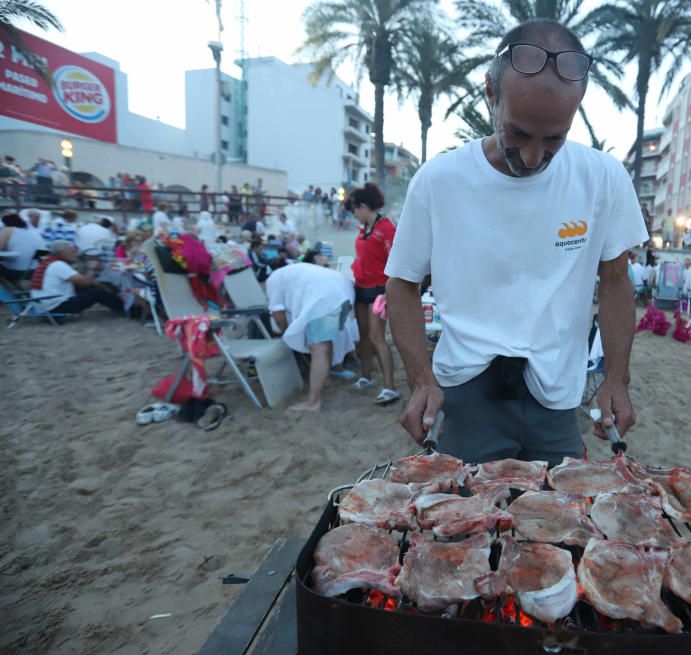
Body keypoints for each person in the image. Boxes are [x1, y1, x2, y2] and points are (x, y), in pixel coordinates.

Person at [384, 19, 647, 463]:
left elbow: (617, 281)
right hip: (467, 396)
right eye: (518, 133)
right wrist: (421, 380)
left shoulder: (603, 178)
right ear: (491, 93)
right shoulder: (439, 181)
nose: (532, 157)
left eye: (554, 139)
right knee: (465, 523)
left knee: (563, 523)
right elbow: (401, 284)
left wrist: (616, 378)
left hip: (559, 397)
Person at [266, 262, 355, 411]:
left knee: (318, 347)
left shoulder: (272, 280)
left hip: (323, 295)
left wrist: (285, 333)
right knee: (325, 342)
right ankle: (325, 380)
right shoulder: (293, 271)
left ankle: (313, 401)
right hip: (342, 289)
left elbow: (278, 315)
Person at [347, 182, 400, 405]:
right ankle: (366, 376)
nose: (354, 215)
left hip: (379, 289)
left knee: (378, 337)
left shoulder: (386, 228)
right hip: (361, 287)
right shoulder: (364, 230)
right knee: (364, 337)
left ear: (363, 206)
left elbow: (396, 261)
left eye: (354, 210)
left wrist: (390, 292)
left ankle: (390, 387)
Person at [29, 241, 124, 315]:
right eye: (72, 251)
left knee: (96, 288)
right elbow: (84, 282)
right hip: (54, 307)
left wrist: (99, 283)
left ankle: (122, 305)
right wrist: (91, 269)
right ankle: (128, 309)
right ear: (62, 253)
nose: (76, 254)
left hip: (42, 305)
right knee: (98, 292)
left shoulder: (50, 263)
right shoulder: (59, 265)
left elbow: (81, 282)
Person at [0, 213, 46, 282]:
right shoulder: (33, 233)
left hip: (14, 271)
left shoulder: (7, 230)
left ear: (6, 224)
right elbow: (43, 253)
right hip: (34, 271)